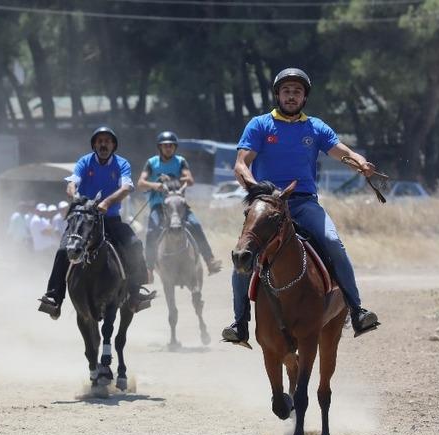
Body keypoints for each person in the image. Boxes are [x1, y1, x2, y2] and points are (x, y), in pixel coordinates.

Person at [221, 67, 380, 344]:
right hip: (268, 205)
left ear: (304, 97)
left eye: (297, 92)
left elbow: (340, 150)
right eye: (286, 91)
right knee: (243, 254)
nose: (291, 96)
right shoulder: (259, 125)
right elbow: (241, 165)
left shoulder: (315, 127)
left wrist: (360, 162)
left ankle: (356, 310)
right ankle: (240, 323)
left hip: (303, 202)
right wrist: (257, 190)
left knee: (332, 241)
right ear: (277, 95)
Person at [38, 126, 156, 319]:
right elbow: (72, 182)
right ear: (94, 144)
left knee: (134, 244)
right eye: (99, 141)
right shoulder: (85, 162)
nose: (103, 144)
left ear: (113, 145)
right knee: (62, 250)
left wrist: (107, 202)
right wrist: (73, 193)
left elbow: (126, 187)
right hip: (84, 219)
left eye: (107, 141)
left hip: (110, 218)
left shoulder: (122, 164)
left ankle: (136, 293)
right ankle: (54, 297)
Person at [137, 130, 222, 278]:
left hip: (179, 205)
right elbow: (141, 183)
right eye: (165, 146)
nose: (168, 148)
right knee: (151, 232)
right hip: (159, 206)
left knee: (195, 224)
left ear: (175, 147)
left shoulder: (180, 161)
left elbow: (190, 180)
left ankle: (209, 260)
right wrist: (154, 185)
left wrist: (172, 181)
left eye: (171, 145)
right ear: (160, 148)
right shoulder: (151, 163)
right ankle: (149, 269)